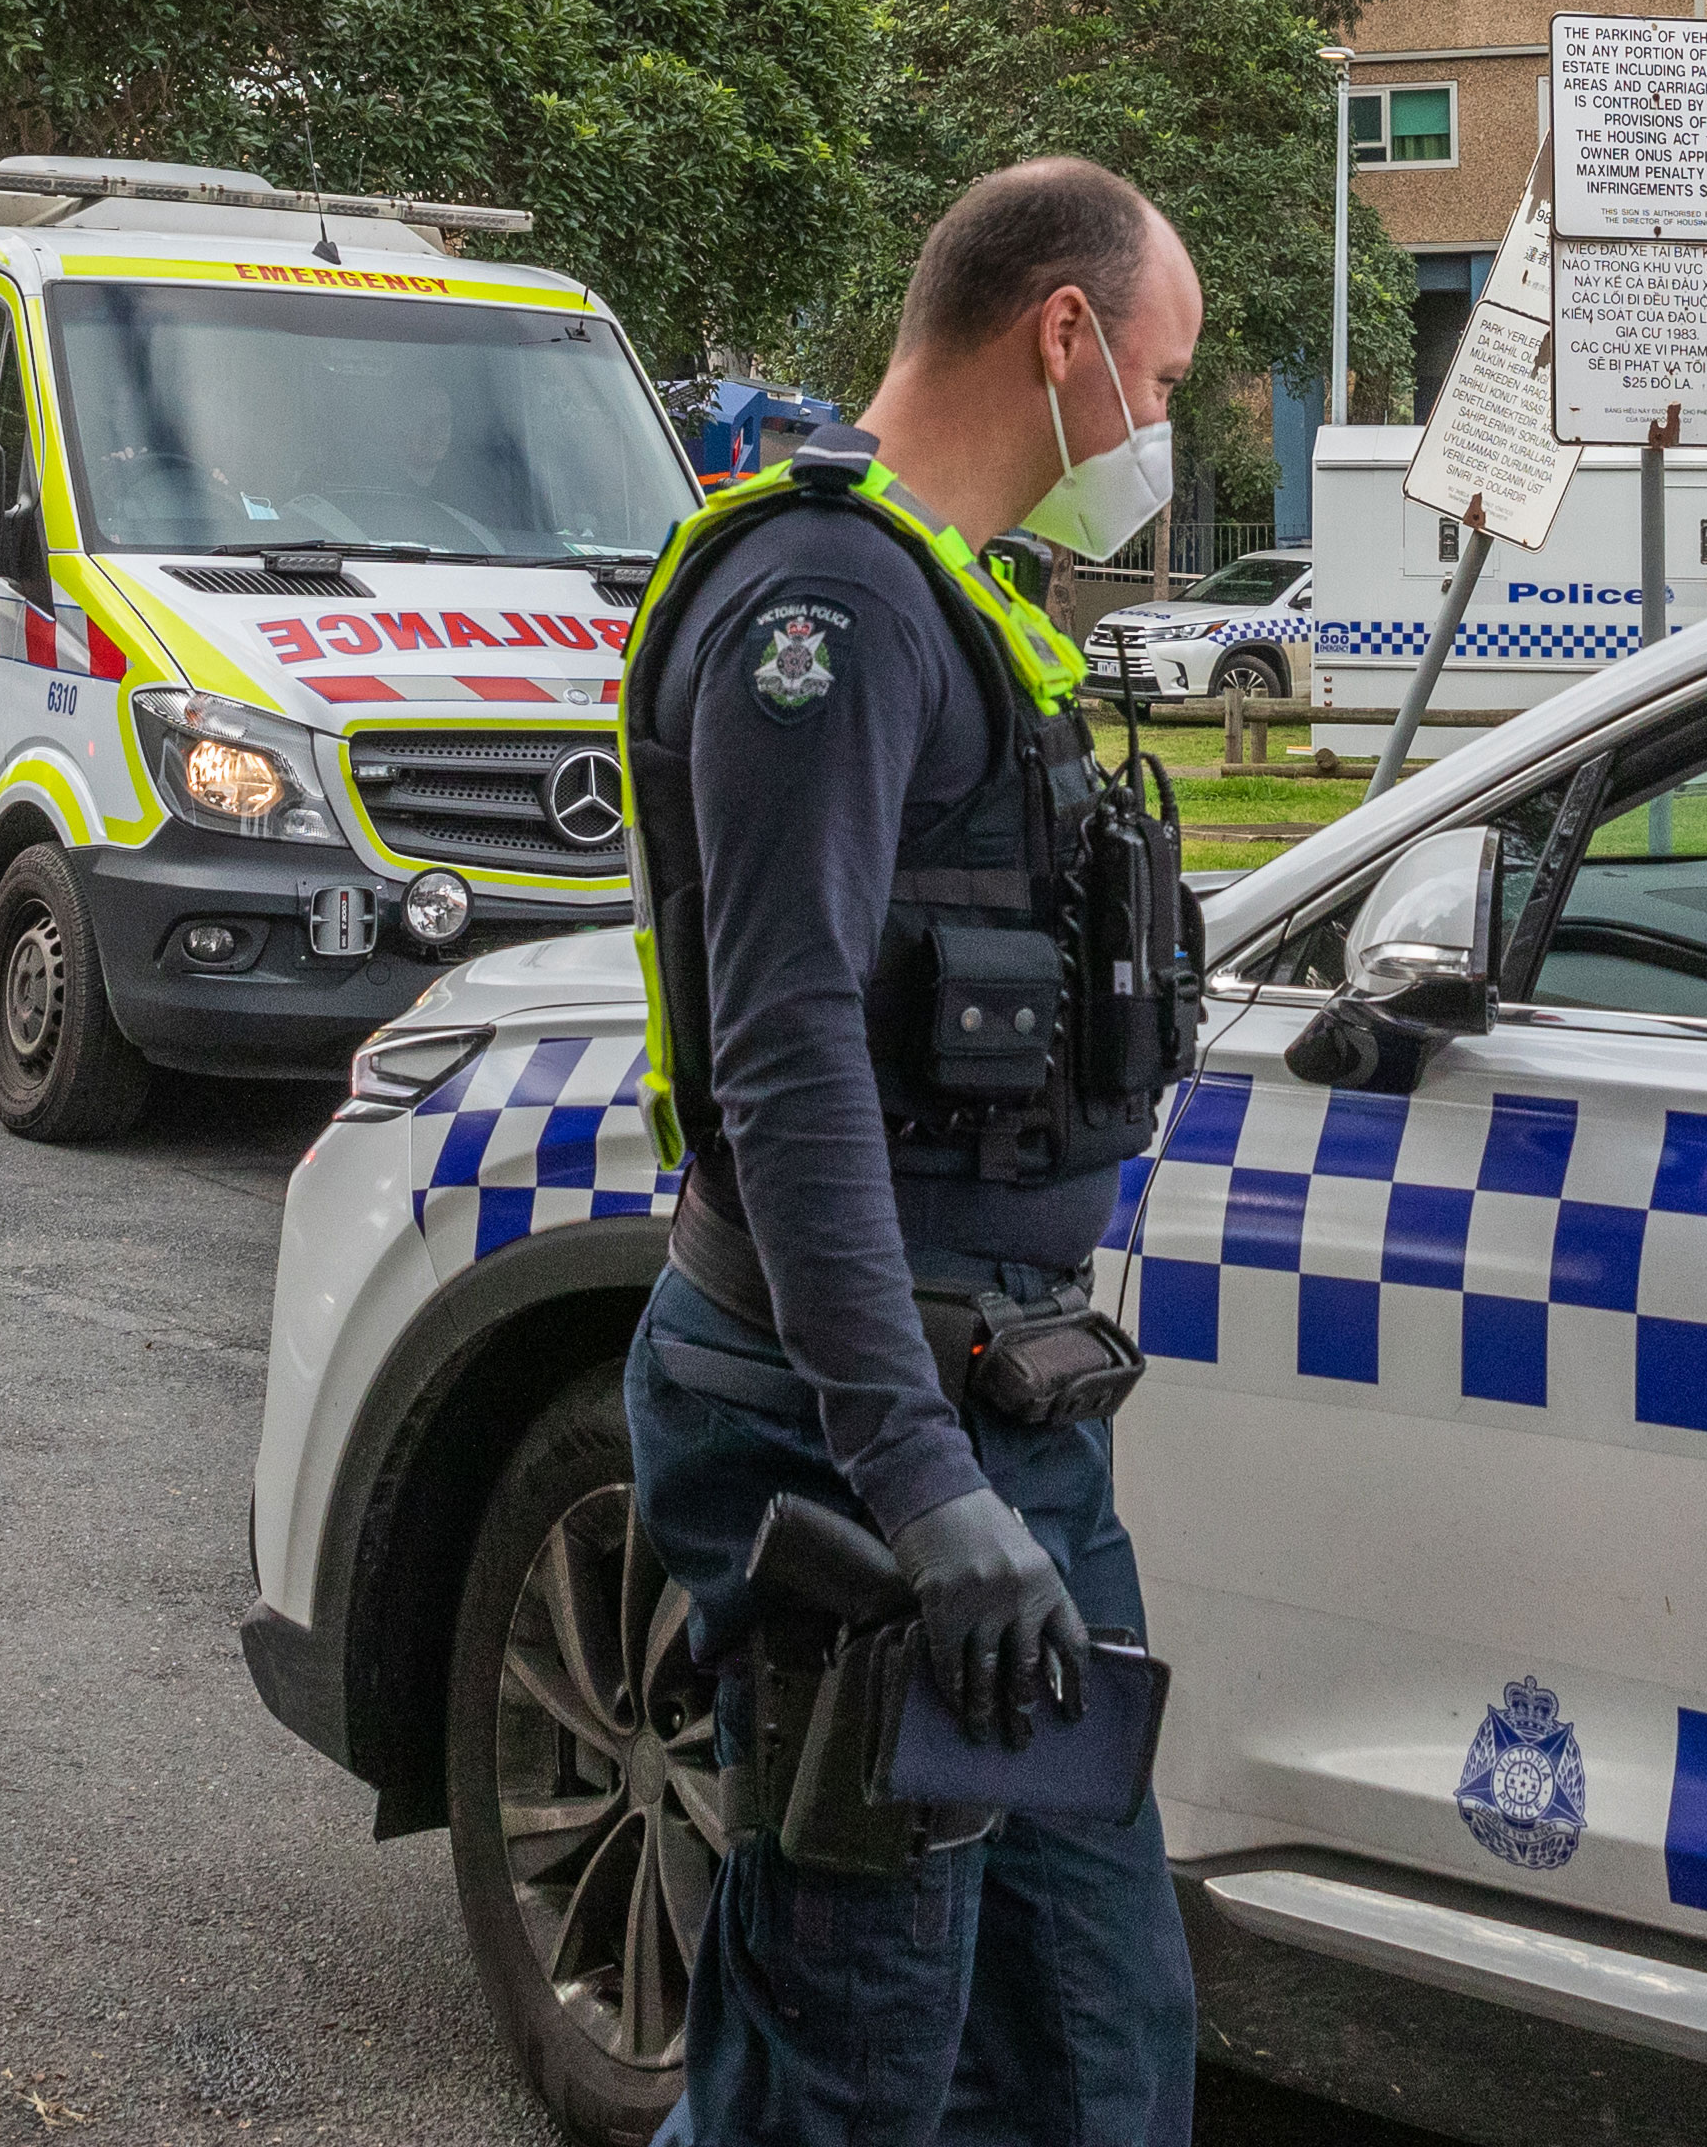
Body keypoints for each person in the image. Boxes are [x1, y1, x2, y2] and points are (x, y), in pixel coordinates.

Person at [615, 155, 1209, 2147]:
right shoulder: (824, 607)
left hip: (994, 1416)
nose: (1160, 420)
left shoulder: (961, 600)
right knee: (852, 2074)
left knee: (1088, 2046)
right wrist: (919, 1473)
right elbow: (786, 1055)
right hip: (856, 1436)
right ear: (1061, 331)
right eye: (1158, 367)